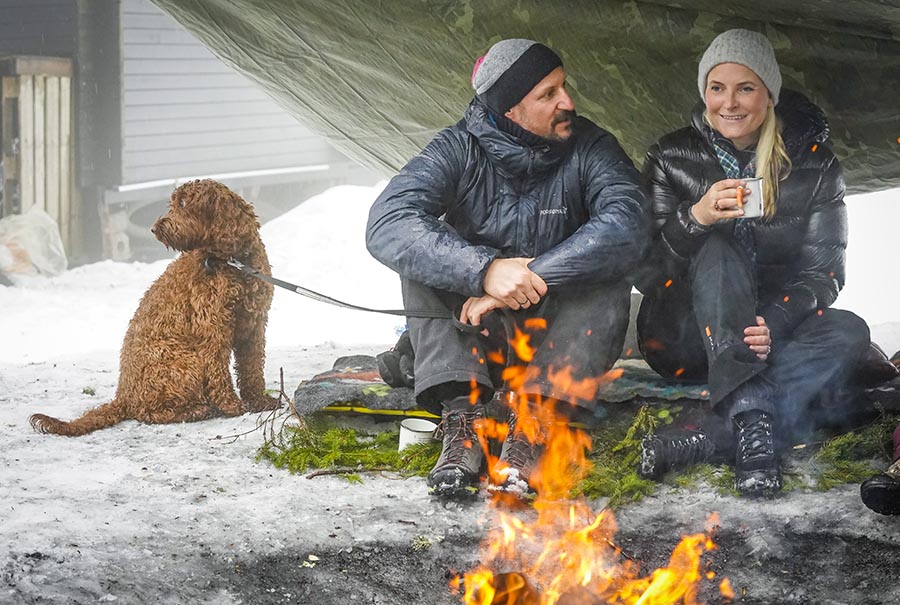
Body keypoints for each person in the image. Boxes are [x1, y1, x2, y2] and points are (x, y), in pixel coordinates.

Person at [366, 39, 646, 498]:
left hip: (557, 344)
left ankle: (536, 422)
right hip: (477, 339)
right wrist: (484, 271)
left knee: (609, 268)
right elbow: (387, 222)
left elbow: (629, 223)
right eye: (548, 94)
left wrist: (528, 274)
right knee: (420, 253)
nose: (567, 102)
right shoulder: (457, 148)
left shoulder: (591, 146)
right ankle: (466, 418)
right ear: (510, 109)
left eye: (564, 87)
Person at [632, 29, 871, 497]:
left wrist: (773, 322)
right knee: (718, 249)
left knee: (849, 331)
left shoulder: (816, 163)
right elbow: (646, 273)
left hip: (765, 332)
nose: (729, 103)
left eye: (746, 88)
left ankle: (722, 433)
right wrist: (695, 218)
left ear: (769, 94)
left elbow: (824, 273)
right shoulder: (670, 155)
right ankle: (753, 408)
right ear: (704, 92)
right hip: (685, 334)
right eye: (717, 88)